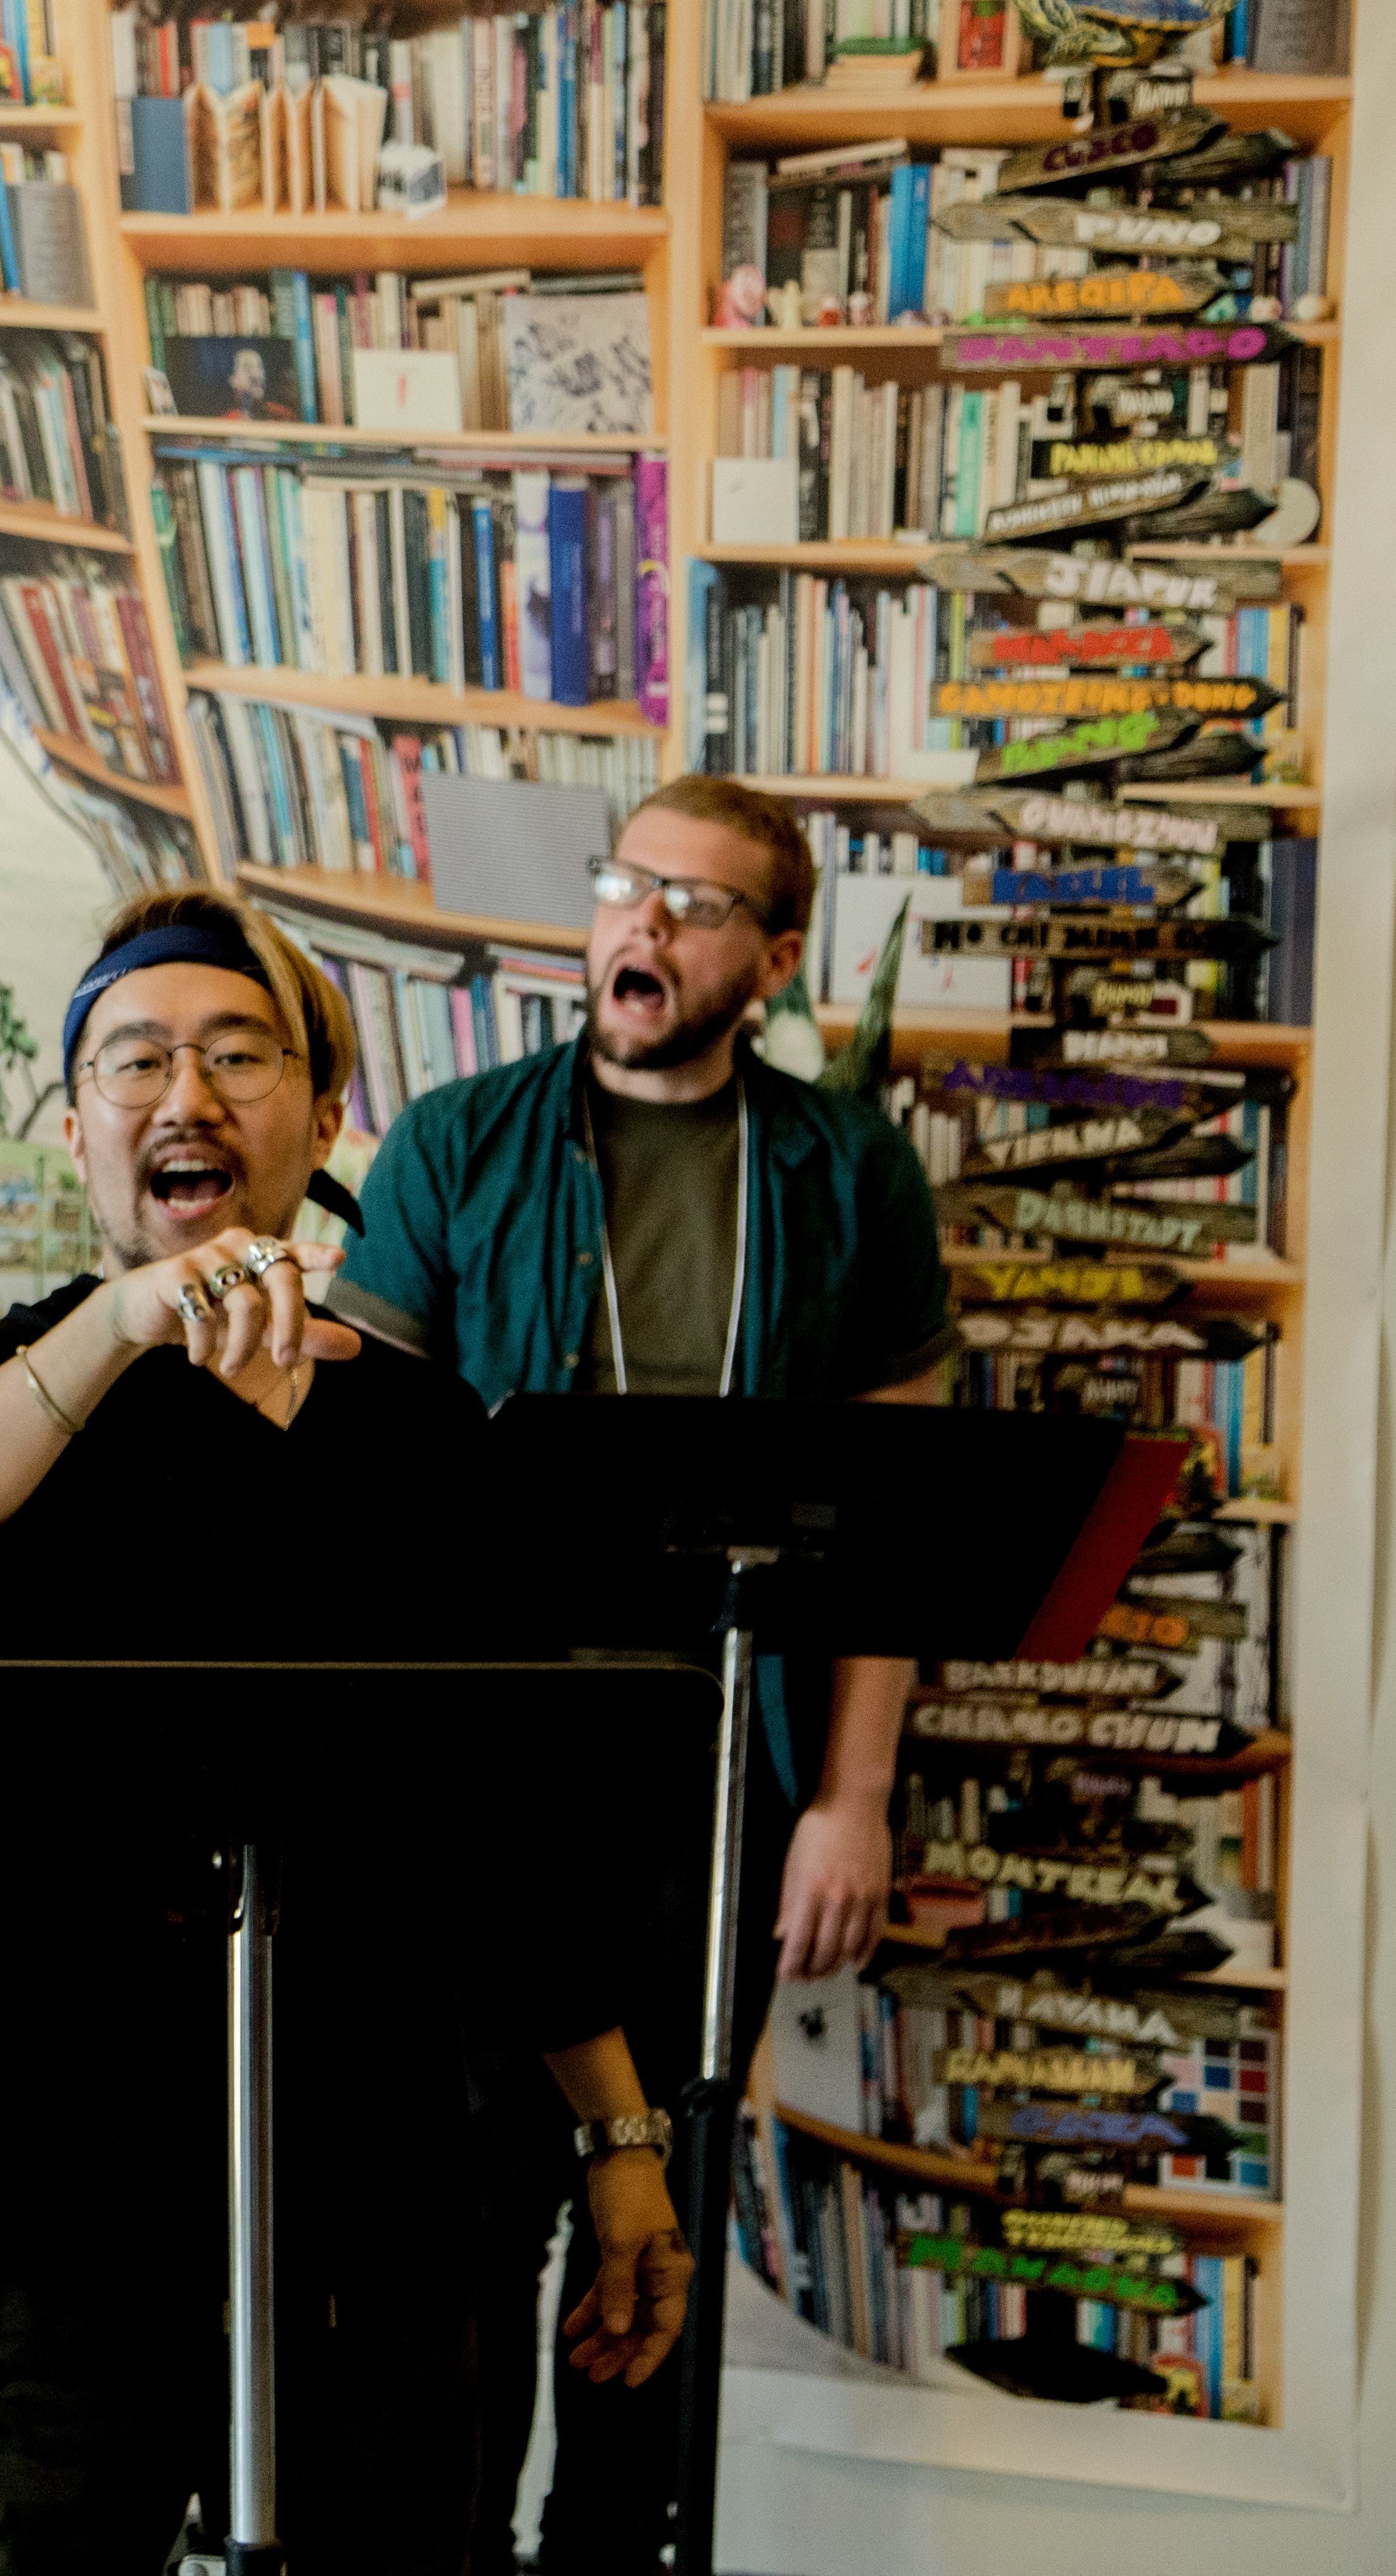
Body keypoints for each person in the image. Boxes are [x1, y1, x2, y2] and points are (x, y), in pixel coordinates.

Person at [0, 882, 692, 2576]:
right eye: (135, 1063)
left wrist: (619, 2135)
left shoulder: (431, 1439)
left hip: (379, 2202)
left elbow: (513, 1844)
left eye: (238, 1056)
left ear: (324, 1112)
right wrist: (129, 1320)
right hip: (45, 2210)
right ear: (74, 1128)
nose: (186, 1099)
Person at [321, 774, 957, 2575]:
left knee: (650, 2206)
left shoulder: (850, 1170)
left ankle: (607, 2557)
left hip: (726, 1771)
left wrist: (850, 1794)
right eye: (626, 887)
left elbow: (899, 1524)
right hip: (482, 1772)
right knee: (477, 2213)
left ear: (768, 956)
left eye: (696, 905)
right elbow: (368, 1487)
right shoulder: (454, 1147)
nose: (644, 927)